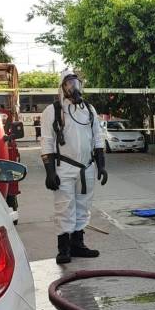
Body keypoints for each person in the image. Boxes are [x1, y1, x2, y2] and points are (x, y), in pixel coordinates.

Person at [40, 70, 108, 264]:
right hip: (64, 168)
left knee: (83, 206)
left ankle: (78, 245)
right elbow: (47, 142)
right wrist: (50, 172)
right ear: (62, 87)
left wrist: (101, 165)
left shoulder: (89, 109)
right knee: (64, 206)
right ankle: (63, 248)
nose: (73, 88)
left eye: (76, 83)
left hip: (86, 167)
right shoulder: (52, 111)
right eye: (69, 84)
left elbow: (97, 137)